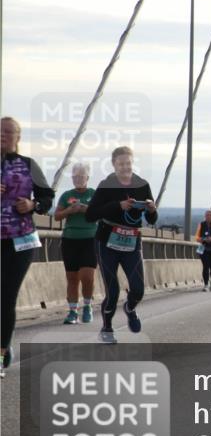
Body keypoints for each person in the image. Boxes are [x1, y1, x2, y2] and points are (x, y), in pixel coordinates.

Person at [85, 145, 158, 344]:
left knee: (138, 289)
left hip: (131, 242)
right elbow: (90, 214)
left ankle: (130, 308)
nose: (125, 167)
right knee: (113, 291)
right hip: (107, 242)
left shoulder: (142, 185)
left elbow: (152, 220)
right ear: (114, 165)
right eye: (121, 164)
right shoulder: (106, 184)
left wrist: (151, 209)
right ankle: (107, 327)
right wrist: (118, 205)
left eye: (128, 163)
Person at [2, 117, 55, 374]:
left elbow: (47, 198)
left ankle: (1, 349)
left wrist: (33, 205)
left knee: (6, 297)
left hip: (20, 240)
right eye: (0, 131)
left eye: (9, 132)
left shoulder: (28, 165)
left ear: (18, 137)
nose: (3, 135)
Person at [54, 163, 98, 324]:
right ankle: (73, 311)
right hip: (70, 240)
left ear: (87, 177)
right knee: (72, 278)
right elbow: (57, 216)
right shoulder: (66, 195)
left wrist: (86, 209)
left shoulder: (94, 194)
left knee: (87, 276)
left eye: (81, 176)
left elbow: (100, 213)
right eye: (75, 176)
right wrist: (69, 211)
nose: (78, 179)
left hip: (90, 239)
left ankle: (87, 306)